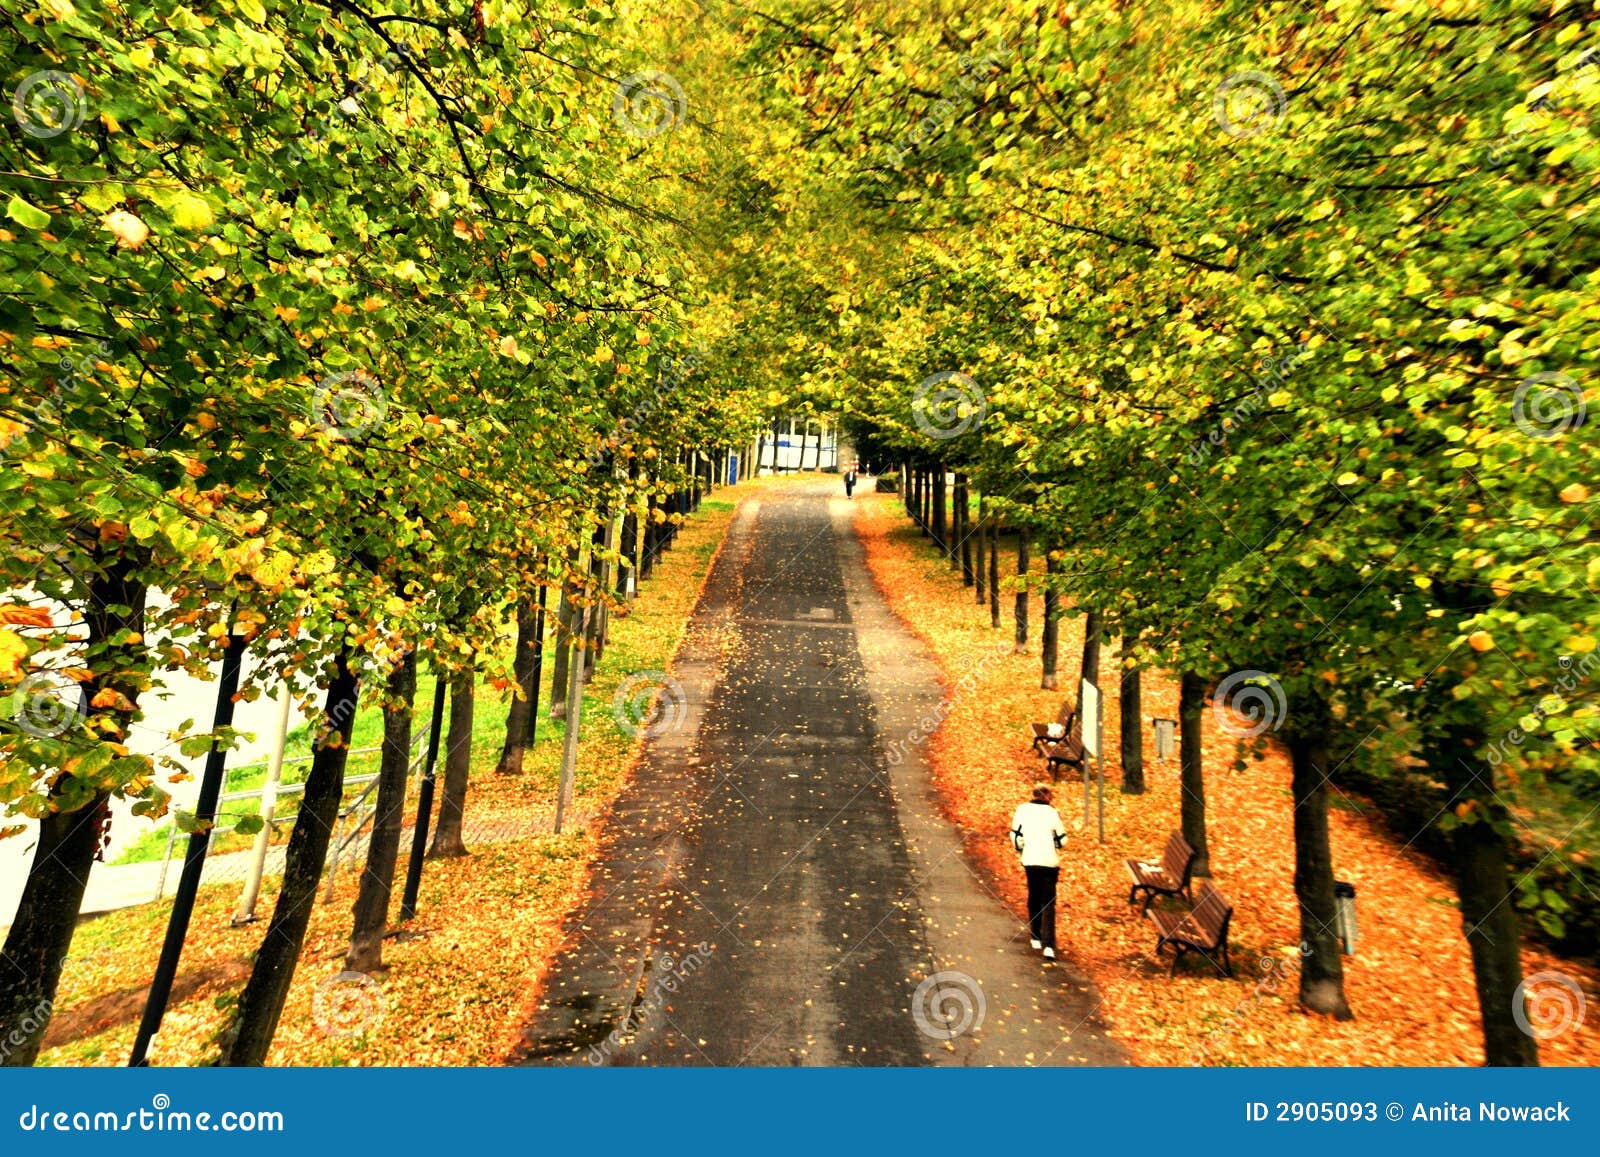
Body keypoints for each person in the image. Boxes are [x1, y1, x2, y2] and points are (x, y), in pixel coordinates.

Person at [1010, 783, 1067, 959]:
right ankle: (1048, 944)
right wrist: (1053, 845)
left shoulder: (1022, 810)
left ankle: (1035, 935)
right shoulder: (1052, 813)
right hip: (1049, 862)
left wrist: (1022, 849)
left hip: (1030, 860)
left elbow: (1015, 836)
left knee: (1033, 895)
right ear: (1046, 796)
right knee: (1049, 901)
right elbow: (1062, 840)